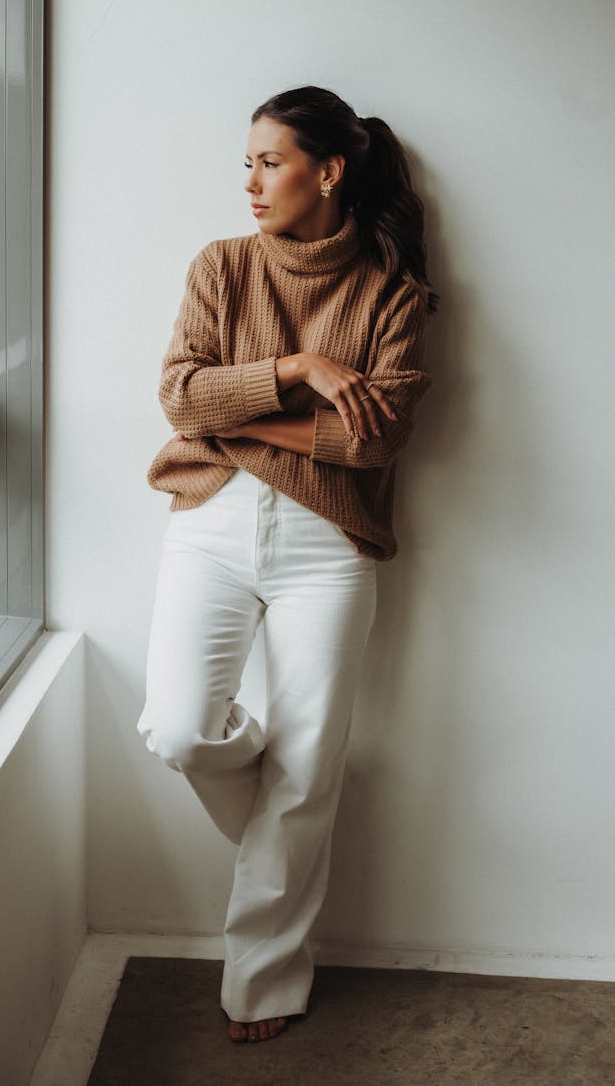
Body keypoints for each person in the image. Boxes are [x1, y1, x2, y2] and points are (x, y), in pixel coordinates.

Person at [137, 85, 437, 1043]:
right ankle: (282, 804)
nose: (252, 181)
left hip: (329, 547)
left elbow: (372, 447)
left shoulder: (393, 294)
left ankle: (263, 979)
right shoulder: (222, 267)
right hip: (210, 523)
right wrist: (300, 372)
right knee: (182, 730)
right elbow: (181, 400)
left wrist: (234, 415)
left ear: (329, 171)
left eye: (271, 161)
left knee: (309, 771)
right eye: (251, 162)